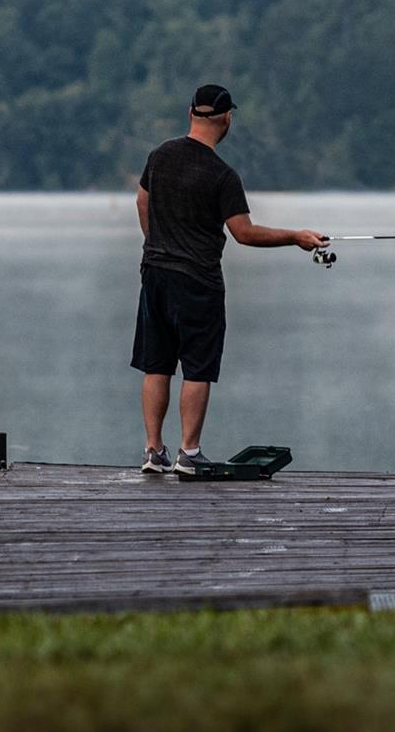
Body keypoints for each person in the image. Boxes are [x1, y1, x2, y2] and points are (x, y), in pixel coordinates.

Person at [131, 84, 327, 475]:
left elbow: (141, 200)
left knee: (157, 364)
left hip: (154, 274)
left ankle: (153, 451)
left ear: (191, 113)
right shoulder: (222, 175)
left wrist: (156, 244)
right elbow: (244, 232)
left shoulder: (160, 155)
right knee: (197, 367)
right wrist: (296, 237)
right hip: (198, 282)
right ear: (226, 119)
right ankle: (189, 452)